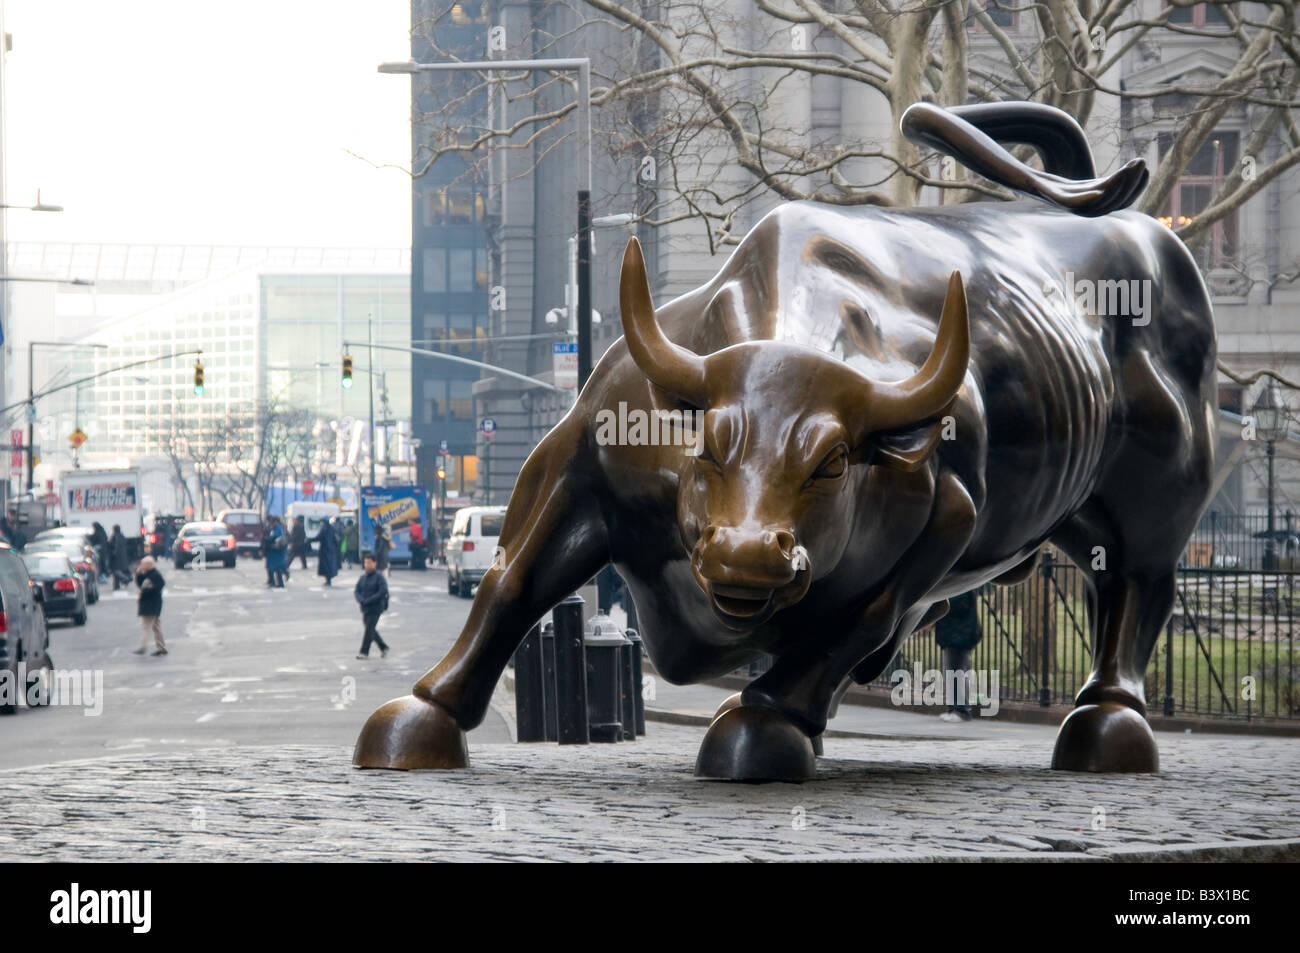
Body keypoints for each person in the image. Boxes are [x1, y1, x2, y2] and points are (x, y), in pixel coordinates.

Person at [934, 589, 984, 721]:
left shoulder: (964, 586)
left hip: (959, 633)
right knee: (952, 672)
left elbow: (957, 604)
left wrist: (938, 603)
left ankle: (962, 711)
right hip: (953, 632)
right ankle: (954, 709)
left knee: (957, 673)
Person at [353, 553, 389, 659]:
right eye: (365, 562)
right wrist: (361, 600)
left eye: (369, 563)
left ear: (374, 563)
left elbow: (382, 591)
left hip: (376, 607)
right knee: (370, 629)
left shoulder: (379, 577)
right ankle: (383, 646)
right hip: (365, 607)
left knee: (369, 629)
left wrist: (369, 600)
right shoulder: (363, 578)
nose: (367, 565)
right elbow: (357, 591)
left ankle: (364, 652)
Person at [132, 556, 167, 656]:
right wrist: (138, 574)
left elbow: (157, 588)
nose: (141, 566)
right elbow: (140, 584)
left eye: (143, 564)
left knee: (146, 626)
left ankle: (143, 647)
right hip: (149, 604)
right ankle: (161, 647)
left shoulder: (155, 575)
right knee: (156, 626)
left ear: (148, 565)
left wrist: (144, 593)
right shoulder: (147, 574)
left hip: (151, 605)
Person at [316, 517, 341, 587]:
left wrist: (309, 540)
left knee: (326, 566)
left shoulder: (324, 529)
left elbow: (319, 537)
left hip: (325, 551)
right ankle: (328, 580)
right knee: (329, 566)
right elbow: (337, 539)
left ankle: (328, 580)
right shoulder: (332, 529)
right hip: (331, 550)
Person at [264, 515, 289, 588]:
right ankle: (273, 581)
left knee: (277, 567)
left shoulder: (278, 528)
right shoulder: (275, 528)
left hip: (277, 550)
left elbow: (276, 536)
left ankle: (280, 582)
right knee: (274, 567)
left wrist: (268, 539)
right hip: (274, 551)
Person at [108, 524, 131, 590]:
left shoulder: (115, 536)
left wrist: (112, 553)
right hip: (122, 556)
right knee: (118, 571)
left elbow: (114, 546)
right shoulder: (121, 536)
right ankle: (116, 585)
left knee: (116, 571)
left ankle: (124, 579)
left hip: (116, 557)